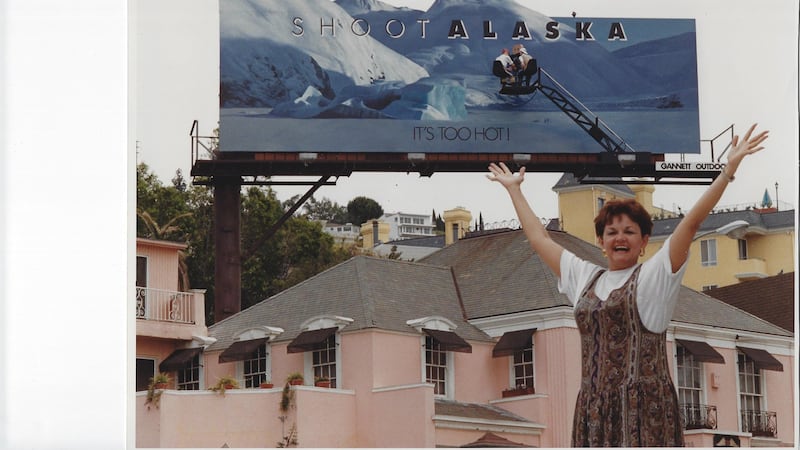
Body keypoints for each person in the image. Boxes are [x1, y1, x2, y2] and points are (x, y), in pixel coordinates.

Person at [487, 124, 768, 447]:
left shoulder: (654, 276)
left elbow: (690, 223)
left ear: (644, 241)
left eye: (629, 231)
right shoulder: (584, 275)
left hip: (644, 409)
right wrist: (514, 190)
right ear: (601, 241)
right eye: (611, 231)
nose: (620, 237)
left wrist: (727, 171)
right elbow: (539, 239)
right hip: (593, 409)